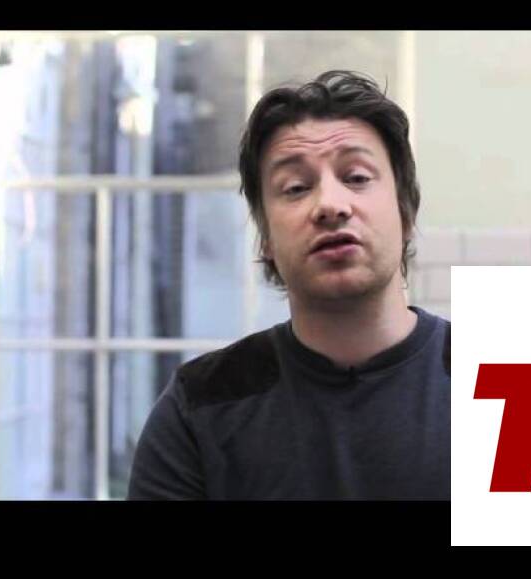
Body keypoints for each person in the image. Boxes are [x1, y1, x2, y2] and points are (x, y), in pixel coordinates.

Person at [127, 70, 450, 500]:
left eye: (356, 177)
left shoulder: (509, 385)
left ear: (405, 214)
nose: (330, 205)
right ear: (266, 239)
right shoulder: (200, 408)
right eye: (296, 188)